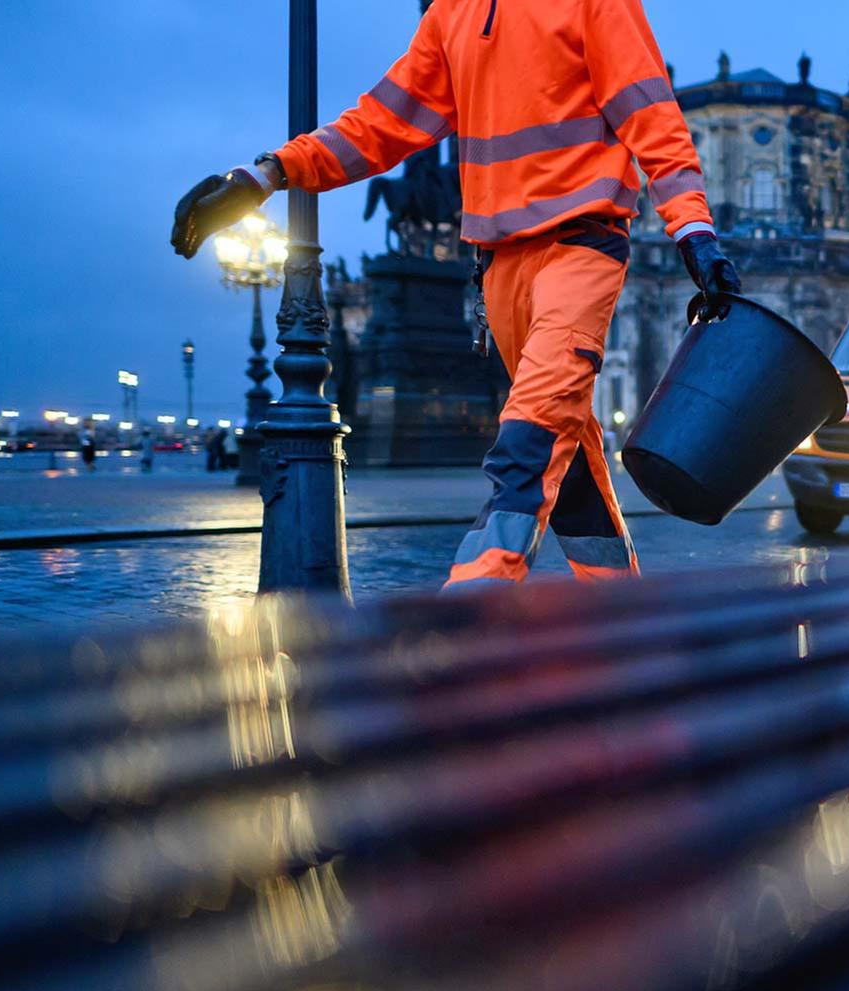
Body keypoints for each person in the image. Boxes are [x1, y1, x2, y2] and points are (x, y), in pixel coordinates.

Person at [171, 0, 737, 589]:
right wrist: (266, 175)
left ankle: (473, 599)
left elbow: (651, 114)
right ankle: (618, 604)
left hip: (582, 245)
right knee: (563, 443)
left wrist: (692, 229)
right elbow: (380, 122)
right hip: (500, 266)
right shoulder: (451, 13)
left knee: (532, 428)